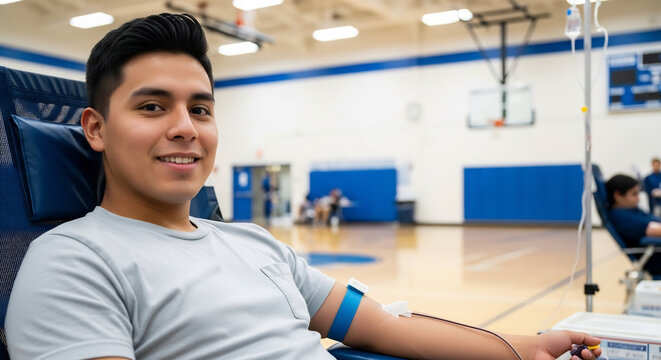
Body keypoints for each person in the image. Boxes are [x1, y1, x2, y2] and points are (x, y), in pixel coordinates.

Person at [5, 13, 601, 360]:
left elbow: (385, 328)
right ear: (95, 129)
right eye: (153, 106)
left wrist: (533, 346)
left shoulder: (255, 244)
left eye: (202, 110)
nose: (185, 128)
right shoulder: (73, 263)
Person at [607, 174, 661, 275]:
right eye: (634, 194)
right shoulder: (622, 217)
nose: (638, 199)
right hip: (655, 257)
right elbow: (654, 230)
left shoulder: (633, 210)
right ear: (618, 195)